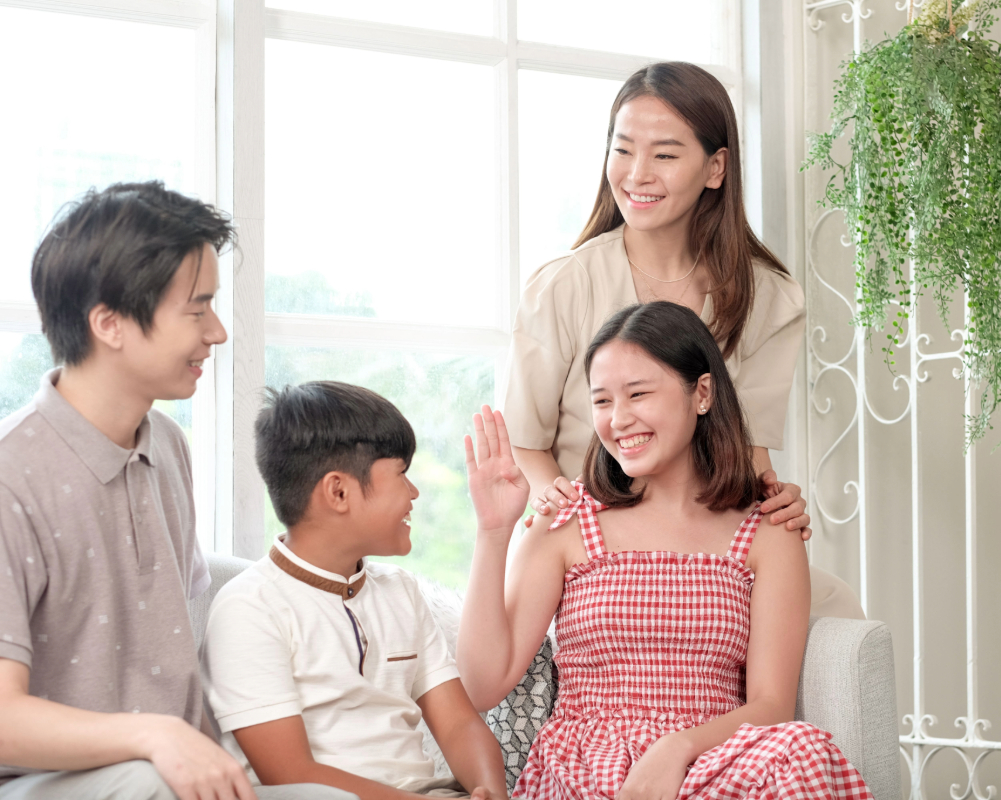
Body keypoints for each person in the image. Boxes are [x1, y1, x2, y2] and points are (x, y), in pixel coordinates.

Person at [0, 182, 349, 800]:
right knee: (142, 781)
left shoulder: (166, 444)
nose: (216, 332)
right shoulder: (10, 475)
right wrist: (154, 737)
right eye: (197, 310)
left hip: (170, 776)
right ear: (108, 323)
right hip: (45, 782)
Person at [459, 302, 873, 799]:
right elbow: (484, 684)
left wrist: (676, 749)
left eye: (638, 394)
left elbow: (770, 706)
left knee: (800, 748)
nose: (618, 420)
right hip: (585, 773)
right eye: (603, 401)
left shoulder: (768, 529)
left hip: (713, 767)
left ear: (701, 393)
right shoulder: (568, 519)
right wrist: (493, 531)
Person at [503, 61, 862, 619]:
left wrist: (776, 498)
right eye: (622, 150)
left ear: (716, 167)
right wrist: (559, 504)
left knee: (835, 604)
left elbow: (747, 447)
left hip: (707, 538)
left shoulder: (767, 296)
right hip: (594, 542)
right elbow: (525, 440)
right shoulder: (564, 285)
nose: (637, 174)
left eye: (665, 155)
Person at [202, 382, 507, 800]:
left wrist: (489, 790)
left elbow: (458, 723)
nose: (414, 492)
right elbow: (289, 773)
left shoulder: (400, 592)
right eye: (401, 473)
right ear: (339, 491)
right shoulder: (249, 608)